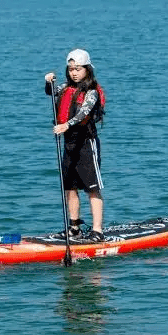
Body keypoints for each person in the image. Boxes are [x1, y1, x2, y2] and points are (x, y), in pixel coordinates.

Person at [45, 48, 106, 243]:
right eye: (71, 69)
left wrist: (66, 125)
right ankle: (74, 228)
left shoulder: (92, 92)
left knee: (92, 188)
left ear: (87, 69)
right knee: (70, 188)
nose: (74, 72)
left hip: (86, 143)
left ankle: (97, 230)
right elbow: (51, 91)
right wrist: (48, 81)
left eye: (78, 69)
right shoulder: (64, 88)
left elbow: (84, 113)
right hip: (69, 143)